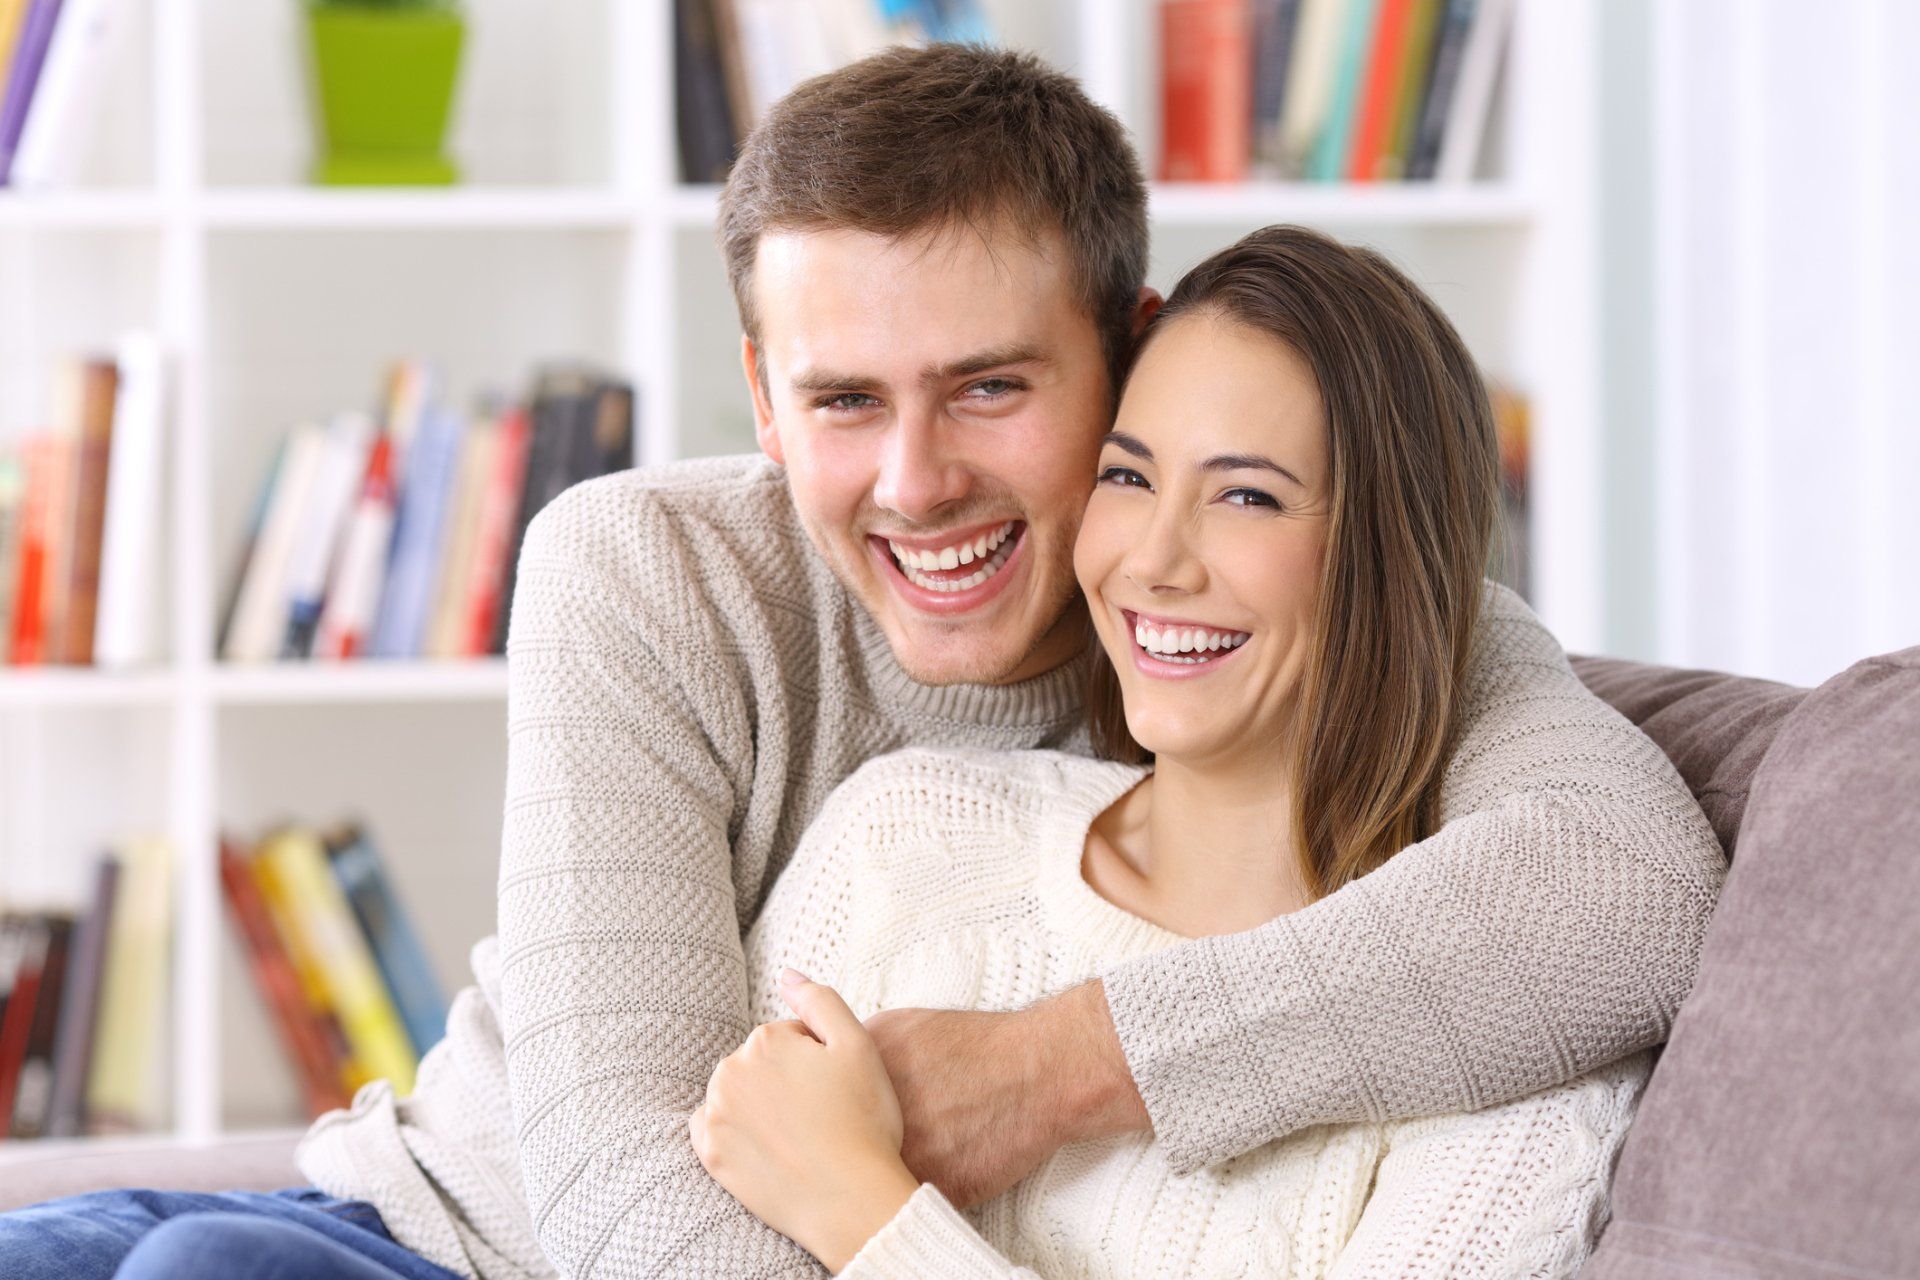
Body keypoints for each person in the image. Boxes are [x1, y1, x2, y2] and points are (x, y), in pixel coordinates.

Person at [0, 46, 1724, 1280]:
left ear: (1128, 353)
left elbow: (1628, 896)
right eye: (840, 402)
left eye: (990, 386)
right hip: (436, 1221)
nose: (916, 484)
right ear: (762, 401)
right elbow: (626, 1201)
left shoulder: (1281, 619)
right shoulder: (648, 570)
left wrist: (1047, 1068)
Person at [687, 222, 1717, 1277]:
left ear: (1385, 557)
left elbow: (1647, 881)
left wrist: (871, 1219)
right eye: (1128, 477)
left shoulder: (1513, 1034)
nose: (1154, 559)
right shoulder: (905, 833)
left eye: (1246, 495)